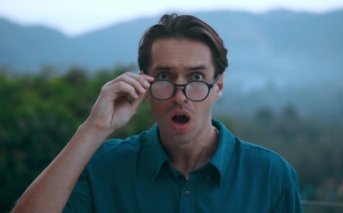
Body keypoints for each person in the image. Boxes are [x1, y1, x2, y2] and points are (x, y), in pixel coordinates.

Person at [12, 14, 303, 212]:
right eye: (164, 76)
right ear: (145, 84)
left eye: (197, 78)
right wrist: (93, 128)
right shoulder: (104, 166)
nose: (180, 95)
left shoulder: (270, 175)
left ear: (219, 86)